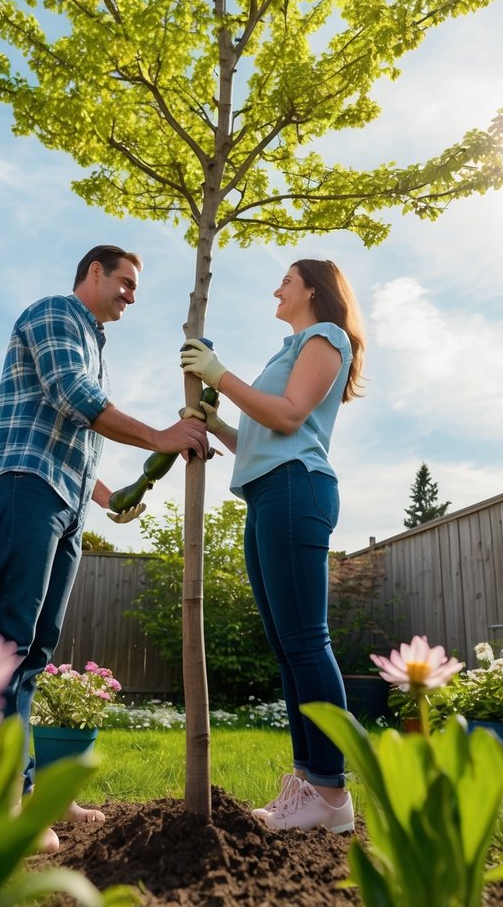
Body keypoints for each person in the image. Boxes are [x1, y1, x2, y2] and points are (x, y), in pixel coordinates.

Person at [0, 245, 209, 851]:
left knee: (33, 652)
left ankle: (22, 791)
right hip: (24, 483)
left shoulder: (94, 341)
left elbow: (68, 432)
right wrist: (159, 434)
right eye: (125, 281)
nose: (132, 295)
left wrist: (108, 494)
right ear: (94, 272)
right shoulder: (55, 314)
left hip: (62, 496)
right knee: (3, 644)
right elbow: (72, 397)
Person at [180, 259, 365, 834]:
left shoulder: (325, 337)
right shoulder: (285, 351)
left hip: (297, 488)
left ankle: (330, 793)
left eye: (287, 279)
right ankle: (309, 782)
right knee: (289, 649)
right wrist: (218, 425)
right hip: (268, 492)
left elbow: (288, 417)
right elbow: (262, 434)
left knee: (308, 642)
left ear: (313, 289)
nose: (277, 288)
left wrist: (218, 374)